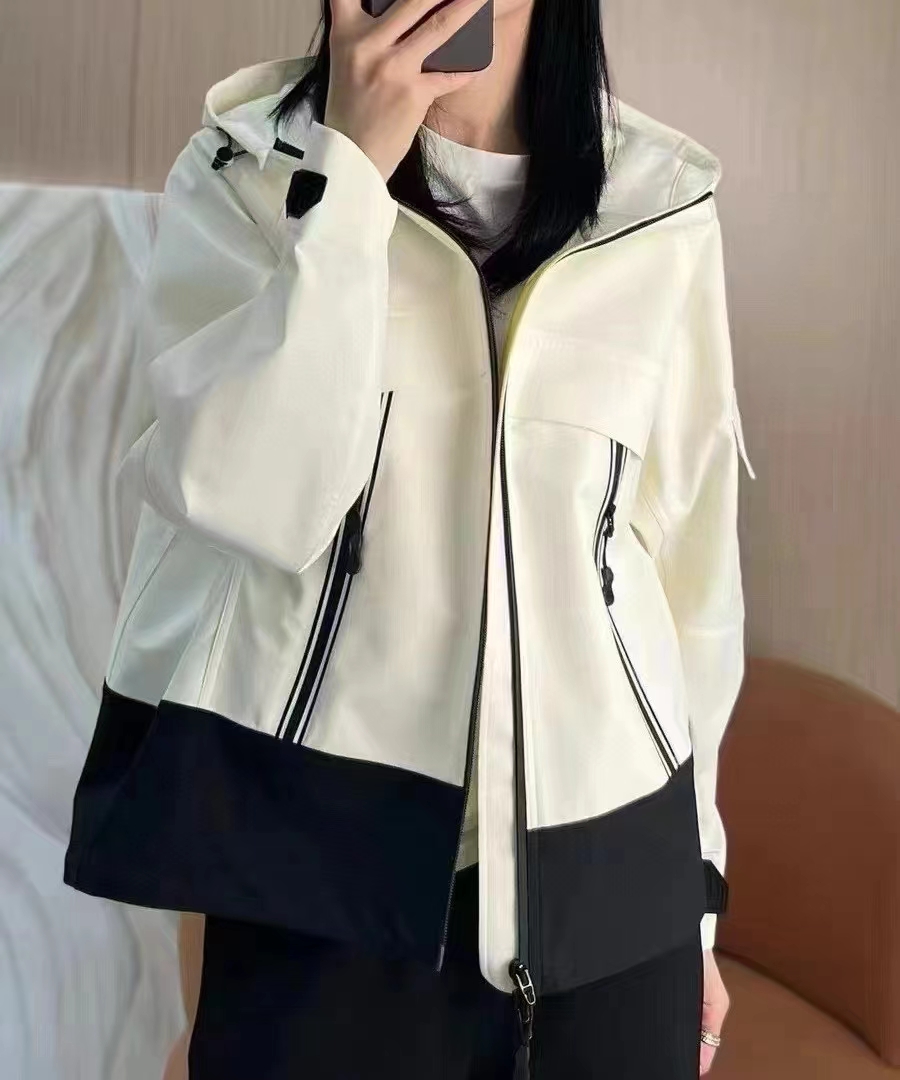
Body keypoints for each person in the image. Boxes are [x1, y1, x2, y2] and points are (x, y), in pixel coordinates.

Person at [64, 0, 755, 1076]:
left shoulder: (658, 204)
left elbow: (688, 573)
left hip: (616, 877)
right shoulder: (244, 171)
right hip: (326, 871)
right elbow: (250, 499)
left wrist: (695, 892)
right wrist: (347, 177)